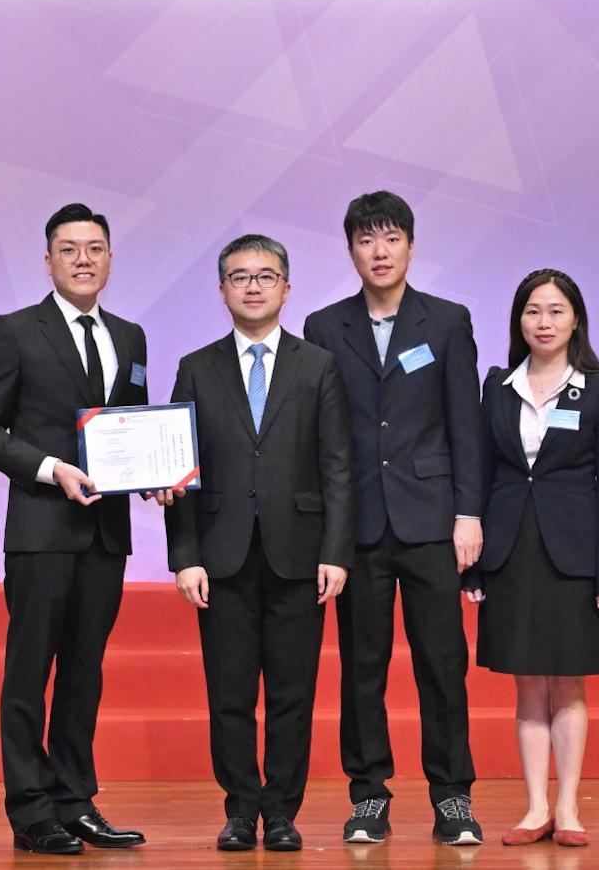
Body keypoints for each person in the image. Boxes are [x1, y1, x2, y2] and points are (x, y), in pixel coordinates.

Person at [0, 203, 154, 855]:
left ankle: (75, 801)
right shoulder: (15, 330)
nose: (82, 259)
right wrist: (49, 469)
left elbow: (130, 428)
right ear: (48, 261)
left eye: (94, 248)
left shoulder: (130, 336)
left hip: (105, 535)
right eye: (68, 249)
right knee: (28, 673)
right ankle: (30, 809)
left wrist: (154, 474)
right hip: (42, 531)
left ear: (109, 258)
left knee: (83, 673)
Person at [300, 191, 488, 845]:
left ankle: (452, 796)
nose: (378, 252)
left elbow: (466, 424)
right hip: (358, 525)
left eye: (390, 239)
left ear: (410, 244)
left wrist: (469, 512)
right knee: (362, 665)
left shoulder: (446, 321)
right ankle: (368, 796)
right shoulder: (325, 327)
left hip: (432, 519)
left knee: (442, 662)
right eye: (365, 240)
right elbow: (321, 434)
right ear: (350, 249)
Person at [163, 233, 354, 853]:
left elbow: (337, 465)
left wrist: (336, 551)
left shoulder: (317, 364)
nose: (253, 286)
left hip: (299, 553)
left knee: (294, 694)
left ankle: (283, 813)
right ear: (222, 290)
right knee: (230, 694)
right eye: (240, 277)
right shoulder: (196, 366)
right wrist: (185, 556)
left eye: (265, 276)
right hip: (221, 557)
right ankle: (241, 810)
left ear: (286, 288)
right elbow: (180, 468)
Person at [464, 268, 599, 849]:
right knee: (528, 685)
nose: (544, 322)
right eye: (533, 311)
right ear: (519, 321)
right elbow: (482, 476)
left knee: (570, 682)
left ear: (576, 319)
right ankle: (535, 807)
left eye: (556, 311)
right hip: (511, 550)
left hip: (574, 554)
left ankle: (569, 807)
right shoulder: (498, 386)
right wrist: (475, 564)